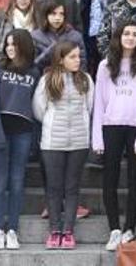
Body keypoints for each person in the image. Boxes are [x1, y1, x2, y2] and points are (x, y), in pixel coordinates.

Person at [33, 41, 94, 250]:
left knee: (72, 186)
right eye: (73, 57)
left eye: (78, 56)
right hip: (52, 143)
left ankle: (68, 231)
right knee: (54, 187)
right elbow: (39, 110)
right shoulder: (47, 80)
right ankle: (55, 230)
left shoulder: (85, 80)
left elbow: (90, 106)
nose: (78, 60)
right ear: (61, 59)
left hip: (78, 141)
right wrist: (53, 124)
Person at [0, 29, 41, 250]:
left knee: (17, 181)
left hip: (24, 132)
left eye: (14, 44)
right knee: (0, 181)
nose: (9, 48)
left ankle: (13, 230)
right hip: (0, 130)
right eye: (7, 44)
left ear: (23, 46)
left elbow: (36, 105)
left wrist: (35, 138)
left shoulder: (34, 72)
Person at [31, 2, 87, 71]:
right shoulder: (35, 36)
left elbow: (82, 63)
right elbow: (34, 64)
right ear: (46, 15)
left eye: (61, 14)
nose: (58, 18)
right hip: (45, 77)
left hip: (71, 77)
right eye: (53, 14)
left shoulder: (75, 36)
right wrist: (51, 50)